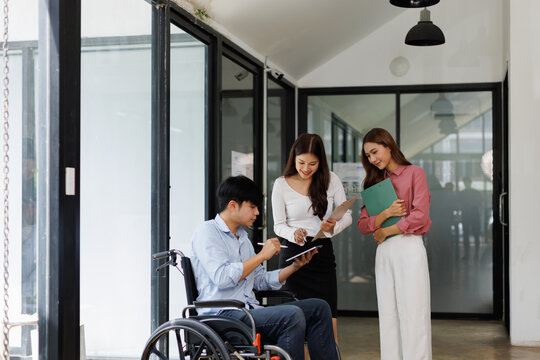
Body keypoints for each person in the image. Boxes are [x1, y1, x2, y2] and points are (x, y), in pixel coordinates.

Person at [190, 175, 339, 360]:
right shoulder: (207, 232)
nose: (257, 213)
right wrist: (262, 255)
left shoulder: (243, 238)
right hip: (223, 315)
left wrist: (294, 266)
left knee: (319, 307)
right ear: (232, 205)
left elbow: (260, 280)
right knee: (292, 316)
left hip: (248, 311)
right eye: (252, 207)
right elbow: (221, 278)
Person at [357, 128, 432, 360]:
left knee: (414, 314)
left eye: (375, 151)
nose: (372, 159)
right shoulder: (374, 183)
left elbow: (420, 215)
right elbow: (362, 225)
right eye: (368, 155)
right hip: (385, 252)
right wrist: (386, 214)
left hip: (409, 247)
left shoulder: (414, 173)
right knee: (388, 316)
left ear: (388, 146)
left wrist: (385, 230)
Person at [272, 133, 352, 342]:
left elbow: (348, 216)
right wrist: (293, 233)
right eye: (301, 163)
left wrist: (332, 228)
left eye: (312, 163)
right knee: (295, 325)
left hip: (322, 253)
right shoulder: (281, 184)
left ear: (321, 161)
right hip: (294, 257)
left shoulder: (331, 179)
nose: (306, 168)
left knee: (328, 319)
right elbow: (278, 225)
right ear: (294, 159)